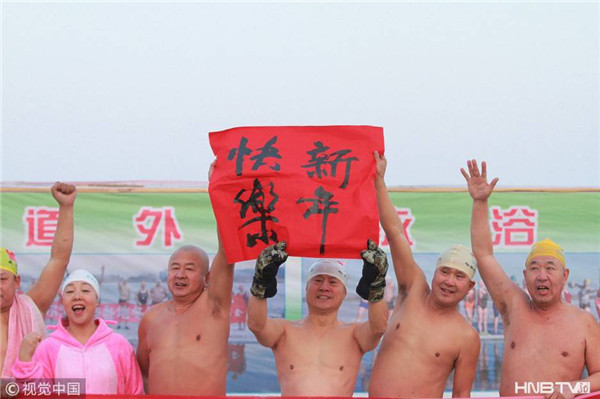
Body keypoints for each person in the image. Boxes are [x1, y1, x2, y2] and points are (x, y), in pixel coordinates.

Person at [462, 159, 600, 398]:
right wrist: (480, 203)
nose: (542, 276)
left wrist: (574, 387)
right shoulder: (513, 306)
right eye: (534, 268)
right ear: (525, 276)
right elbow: (483, 255)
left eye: (550, 268)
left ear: (565, 275)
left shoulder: (584, 322)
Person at [369, 151, 480, 398]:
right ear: (434, 273)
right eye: (445, 272)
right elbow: (395, 231)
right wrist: (379, 180)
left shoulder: (466, 337)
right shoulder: (413, 289)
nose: (449, 281)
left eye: (459, 276)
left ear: (470, 287)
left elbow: (462, 395)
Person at [248, 240, 388, 396]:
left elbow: (378, 327)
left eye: (333, 282)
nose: (324, 287)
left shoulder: (354, 334)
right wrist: (261, 282)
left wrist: (376, 285)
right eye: (318, 280)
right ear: (306, 289)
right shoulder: (285, 331)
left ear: (344, 293)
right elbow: (257, 325)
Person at [12, 269, 143, 394]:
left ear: (97, 301)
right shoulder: (48, 347)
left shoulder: (119, 345)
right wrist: (25, 362)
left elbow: (135, 392)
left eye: (85, 290)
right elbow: (35, 393)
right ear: (63, 302)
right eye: (69, 292)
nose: (77, 296)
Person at [137, 239, 234, 395]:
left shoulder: (214, 308)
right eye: (175, 268)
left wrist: (225, 214)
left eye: (189, 269)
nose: (180, 275)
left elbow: (226, 251)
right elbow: (143, 374)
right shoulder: (150, 319)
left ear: (207, 278)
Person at [0, 182, 76, 377]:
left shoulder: (32, 306)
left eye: (1, 279)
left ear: (16, 282)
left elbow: (59, 260)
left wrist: (66, 207)